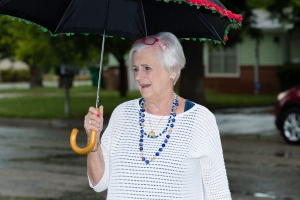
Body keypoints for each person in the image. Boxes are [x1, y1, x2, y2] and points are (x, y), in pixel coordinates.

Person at [84, 32, 231, 199]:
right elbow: (98, 183)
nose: (138, 77)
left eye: (147, 68)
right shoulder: (122, 114)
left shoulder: (200, 119)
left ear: (173, 70)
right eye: (135, 69)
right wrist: (93, 140)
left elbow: (218, 192)